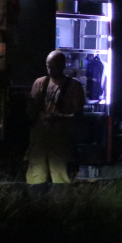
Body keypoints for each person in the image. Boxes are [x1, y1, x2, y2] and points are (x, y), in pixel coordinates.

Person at [26, 50, 85, 187]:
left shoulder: (74, 86)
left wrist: (60, 118)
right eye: (48, 66)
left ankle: (61, 204)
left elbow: (78, 115)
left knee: (61, 179)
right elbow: (30, 112)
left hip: (61, 141)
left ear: (62, 65)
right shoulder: (39, 83)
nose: (50, 70)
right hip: (40, 140)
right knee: (35, 179)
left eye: (53, 66)